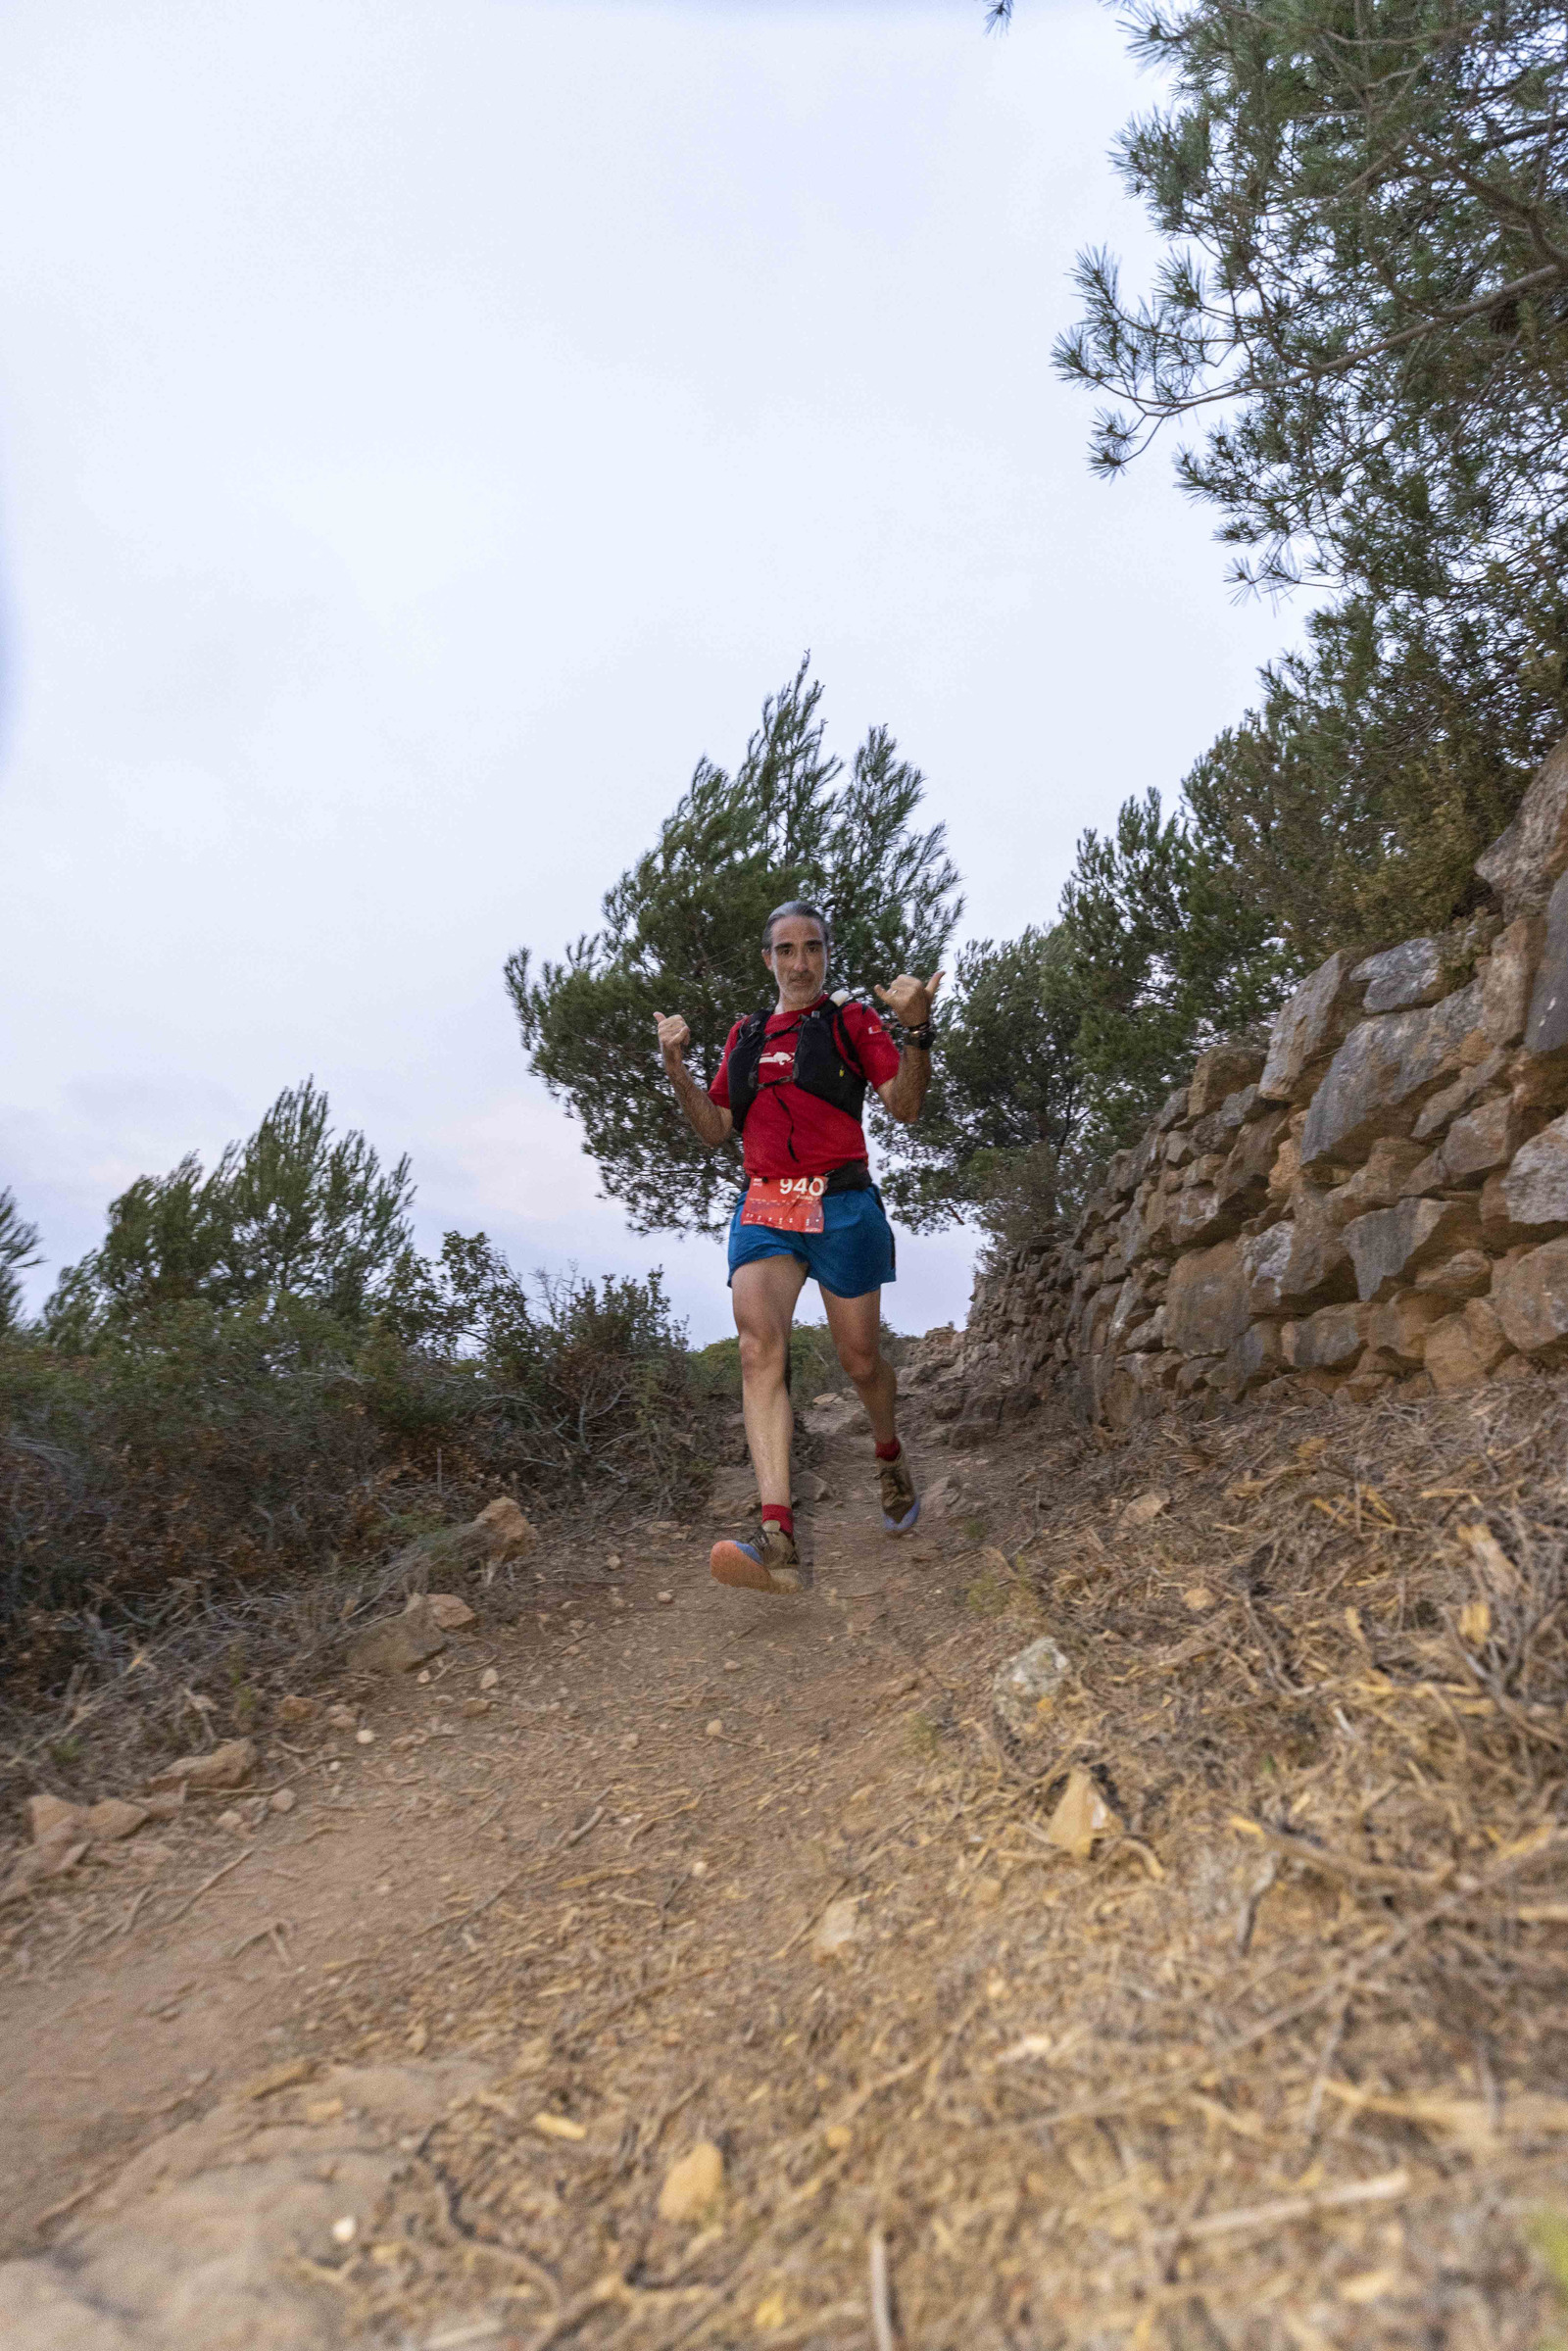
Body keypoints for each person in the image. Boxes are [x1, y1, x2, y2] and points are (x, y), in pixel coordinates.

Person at [655, 900, 941, 1594]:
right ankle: (776, 1536)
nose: (801, 962)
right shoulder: (746, 1034)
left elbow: (904, 1105)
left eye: (812, 947)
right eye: (787, 949)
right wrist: (676, 1068)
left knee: (860, 1360)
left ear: (826, 954)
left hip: (842, 1202)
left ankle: (888, 1450)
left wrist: (917, 1031)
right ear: (769, 959)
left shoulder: (852, 1020)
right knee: (758, 1346)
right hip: (766, 1207)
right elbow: (716, 1128)